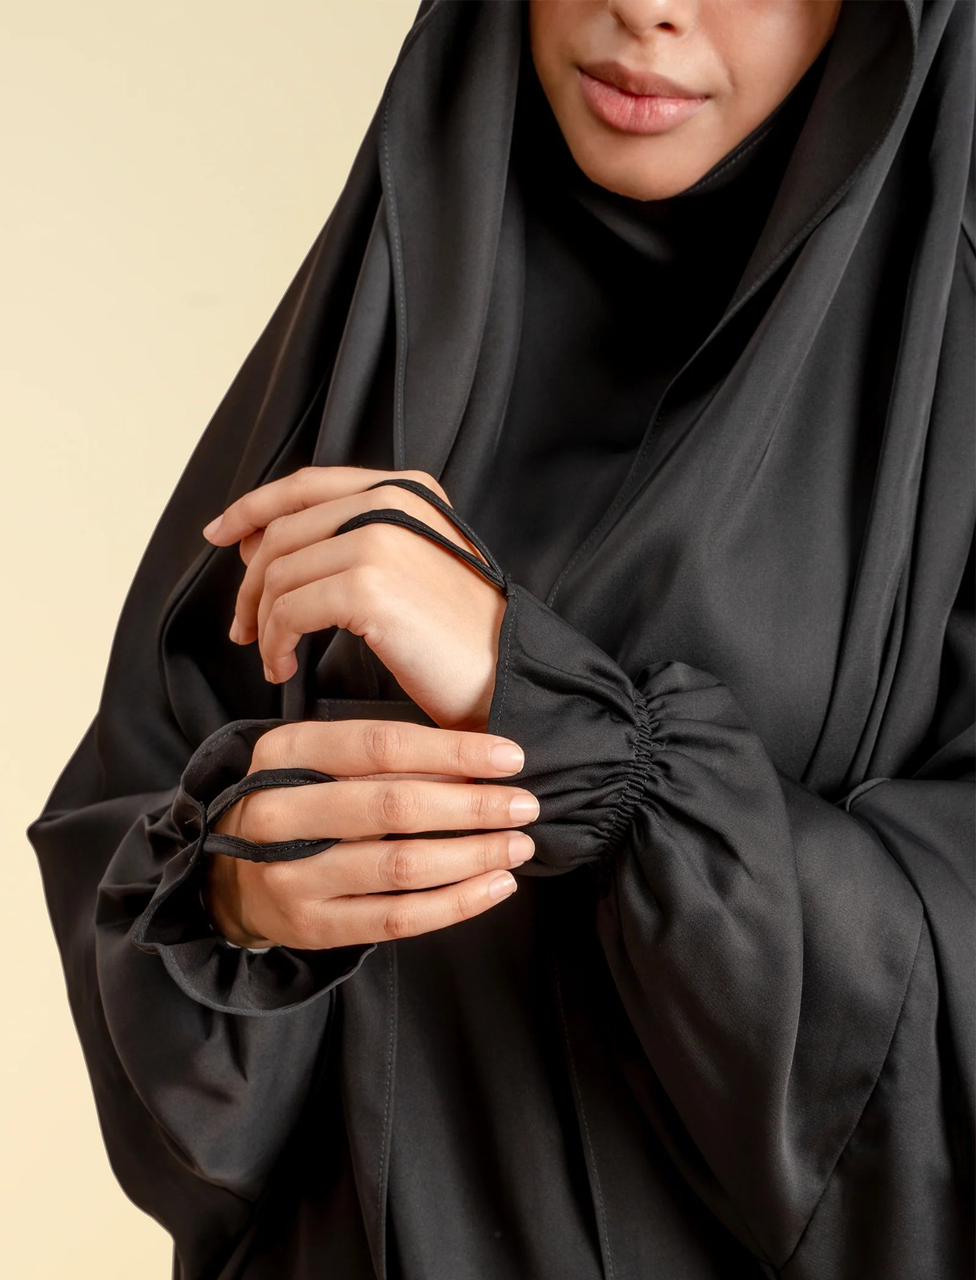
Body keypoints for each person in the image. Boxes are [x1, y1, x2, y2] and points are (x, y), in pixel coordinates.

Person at [26, 0, 974, 1277]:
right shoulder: (391, 292)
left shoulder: (946, 371)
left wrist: (563, 726)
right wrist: (240, 900)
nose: (648, 7)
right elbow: (129, 828)